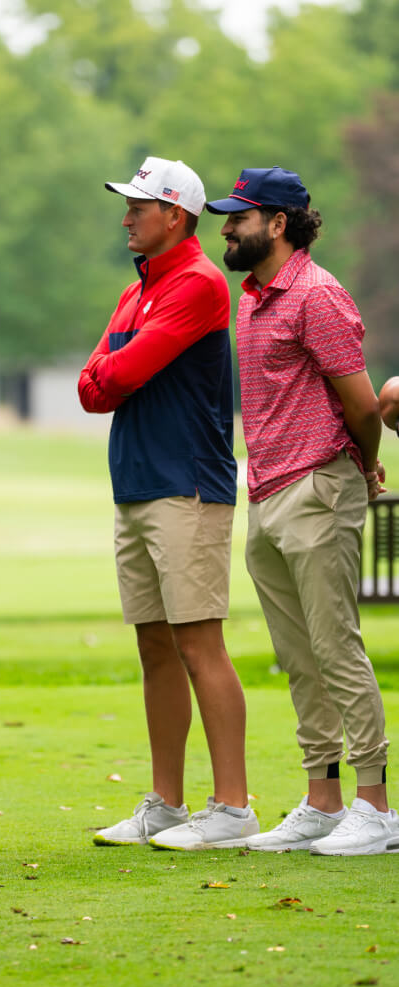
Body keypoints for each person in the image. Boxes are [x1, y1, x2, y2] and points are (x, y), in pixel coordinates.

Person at [207, 166, 398, 855]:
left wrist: (364, 466)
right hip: (266, 494)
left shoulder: (317, 294)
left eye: (239, 218)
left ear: (279, 223)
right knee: (298, 656)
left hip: (318, 486)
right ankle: (323, 800)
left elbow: (363, 404)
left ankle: (376, 805)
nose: (227, 230)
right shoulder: (253, 299)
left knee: (335, 645)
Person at [78, 156, 258, 850]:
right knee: (154, 645)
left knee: (198, 643)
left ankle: (233, 807)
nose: (126, 217)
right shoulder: (138, 291)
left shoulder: (199, 283)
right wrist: (111, 371)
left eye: (138, 206)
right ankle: (167, 803)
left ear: (174, 214)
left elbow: (118, 372)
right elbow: (92, 389)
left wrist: (112, 371)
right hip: (136, 483)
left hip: (188, 485)